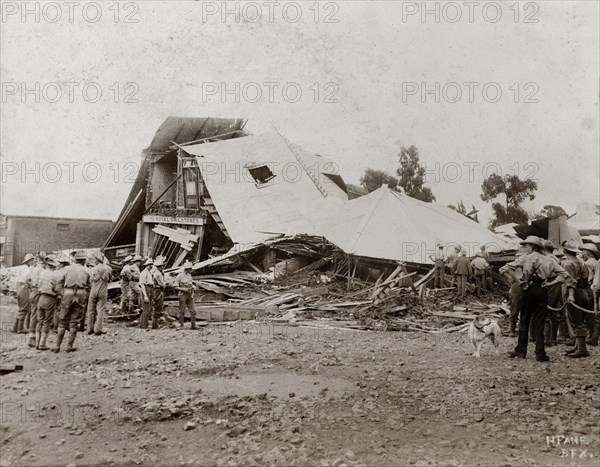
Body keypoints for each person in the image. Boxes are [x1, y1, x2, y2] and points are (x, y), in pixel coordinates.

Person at [500, 235, 568, 362]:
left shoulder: (524, 258)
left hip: (527, 288)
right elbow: (564, 274)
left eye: (526, 245)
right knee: (540, 322)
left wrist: (518, 281)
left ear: (531, 247)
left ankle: (521, 350)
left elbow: (503, 269)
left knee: (525, 320)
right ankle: (540, 354)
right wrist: (550, 283)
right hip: (542, 289)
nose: (525, 248)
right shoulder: (549, 260)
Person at [52, 250, 90, 353]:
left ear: (75, 259)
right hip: (81, 293)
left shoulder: (66, 269)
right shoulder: (87, 270)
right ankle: (69, 346)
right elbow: (90, 284)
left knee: (63, 321)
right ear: (84, 260)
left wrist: (60, 293)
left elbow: (59, 281)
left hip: (67, 293)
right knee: (74, 322)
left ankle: (57, 346)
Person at [562, 240, 592, 358]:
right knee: (581, 320)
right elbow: (585, 279)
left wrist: (570, 295)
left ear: (565, 250)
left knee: (576, 321)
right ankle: (577, 346)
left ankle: (582, 349)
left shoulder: (567, 264)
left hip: (574, 294)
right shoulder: (582, 262)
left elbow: (571, 282)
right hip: (583, 292)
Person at [35, 257, 60, 350]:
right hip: (50, 298)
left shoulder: (41, 273)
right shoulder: (55, 276)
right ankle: (42, 343)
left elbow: (37, 284)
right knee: (47, 321)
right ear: (53, 266)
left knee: (40, 320)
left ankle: (37, 343)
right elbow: (57, 289)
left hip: (41, 297)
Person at [86, 252, 112, 336]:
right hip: (103, 290)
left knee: (91, 310)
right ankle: (98, 329)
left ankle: (90, 329)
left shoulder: (92, 269)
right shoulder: (108, 268)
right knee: (100, 310)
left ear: (97, 260)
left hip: (93, 290)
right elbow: (110, 280)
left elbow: (89, 281)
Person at [26, 254, 48, 348]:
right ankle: (32, 337)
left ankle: (33, 335)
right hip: (38, 291)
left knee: (33, 313)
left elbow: (27, 279)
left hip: (33, 291)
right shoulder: (42, 271)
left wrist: (31, 287)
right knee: (37, 314)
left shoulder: (33, 269)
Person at [579, 243, 599, 346]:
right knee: (593, 313)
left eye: (584, 251)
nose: (582, 253)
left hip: (590, 288)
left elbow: (588, 278)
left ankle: (589, 337)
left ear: (588, 252)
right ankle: (593, 335)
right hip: (595, 289)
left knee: (587, 313)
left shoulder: (586, 264)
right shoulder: (596, 262)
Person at [11, 253, 35, 334]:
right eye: (31, 260)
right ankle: (20, 328)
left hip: (19, 288)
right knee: (24, 308)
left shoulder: (22, 268)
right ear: (27, 261)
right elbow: (28, 280)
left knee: (21, 308)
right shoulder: (27, 269)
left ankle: (15, 327)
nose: (33, 261)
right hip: (24, 288)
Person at [175, 261, 197, 329]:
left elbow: (190, 282)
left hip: (189, 294)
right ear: (186, 269)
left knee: (193, 310)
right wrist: (184, 289)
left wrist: (193, 286)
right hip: (182, 295)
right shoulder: (179, 276)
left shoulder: (189, 275)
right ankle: (181, 325)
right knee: (182, 310)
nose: (191, 270)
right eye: (190, 268)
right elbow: (175, 286)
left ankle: (193, 325)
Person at [52, 255, 71, 332]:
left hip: (59, 292)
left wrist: (58, 292)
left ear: (63, 264)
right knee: (67, 309)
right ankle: (66, 325)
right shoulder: (69, 271)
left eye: (59, 263)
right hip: (67, 292)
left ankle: (55, 327)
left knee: (57, 310)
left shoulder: (58, 272)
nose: (58, 265)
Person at [139, 259, 154, 329]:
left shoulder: (149, 272)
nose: (150, 266)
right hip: (145, 289)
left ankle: (142, 325)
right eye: (149, 265)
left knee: (148, 308)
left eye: (151, 265)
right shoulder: (143, 273)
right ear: (146, 265)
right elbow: (142, 285)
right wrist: (145, 296)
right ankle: (144, 326)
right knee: (146, 309)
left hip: (150, 289)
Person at [151, 257, 166, 329]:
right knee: (157, 306)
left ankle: (155, 324)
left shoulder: (160, 273)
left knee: (158, 306)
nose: (162, 267)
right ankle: (155, 325)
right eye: (161, 266)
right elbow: (162, 284)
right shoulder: (158, 274)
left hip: (158, 290)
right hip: (158, 290)